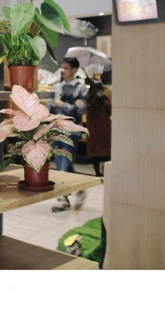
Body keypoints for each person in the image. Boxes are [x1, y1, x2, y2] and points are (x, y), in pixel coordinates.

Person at [47, 57, 88, 212]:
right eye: (62, 67)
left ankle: (62, 199)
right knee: (62, 165)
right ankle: (80, 188)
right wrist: (69, 106)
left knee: (63, 166)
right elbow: (50, 107)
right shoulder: (56, 87)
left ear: (74, 70)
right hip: (56, 130)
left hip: (71, 132)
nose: (62, 70)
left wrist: (61, 104)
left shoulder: (81, 88)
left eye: (66, 68)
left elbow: (79, 112)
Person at [85, 80, 112, 178]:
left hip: (92, 130)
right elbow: (111, 110)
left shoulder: (89, 101)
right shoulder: (105, 101)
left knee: (94, 153)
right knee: (106, 152)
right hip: (104, 130)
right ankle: (105, 173)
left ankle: (97, 172)